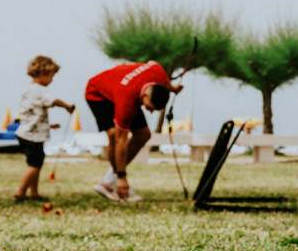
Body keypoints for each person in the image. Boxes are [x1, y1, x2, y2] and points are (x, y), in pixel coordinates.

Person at [83, 60, 181, 202]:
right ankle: (116, 181)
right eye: (150, 107)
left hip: (125, 89)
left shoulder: (158, 71)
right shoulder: (126, 100)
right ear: (146, 96)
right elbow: (120, 140)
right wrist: (123, 177)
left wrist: (173, 89)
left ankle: (108, 181)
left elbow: (165, 83)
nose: (151, 111)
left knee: (144, 134)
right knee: (113, 135)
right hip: (98, 94)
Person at [13, 55, 75, 203]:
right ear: (43, 73)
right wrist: (67, 106)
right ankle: (20, 192)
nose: (52, 80)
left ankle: (34, 192)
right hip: (33, 136)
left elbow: (33, 114)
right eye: (51, 76)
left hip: (26, 132)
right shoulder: (40, 91)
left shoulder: (28, 90)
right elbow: (54, 101)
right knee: (35, 164)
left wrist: (49, 126)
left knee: (35, 163)